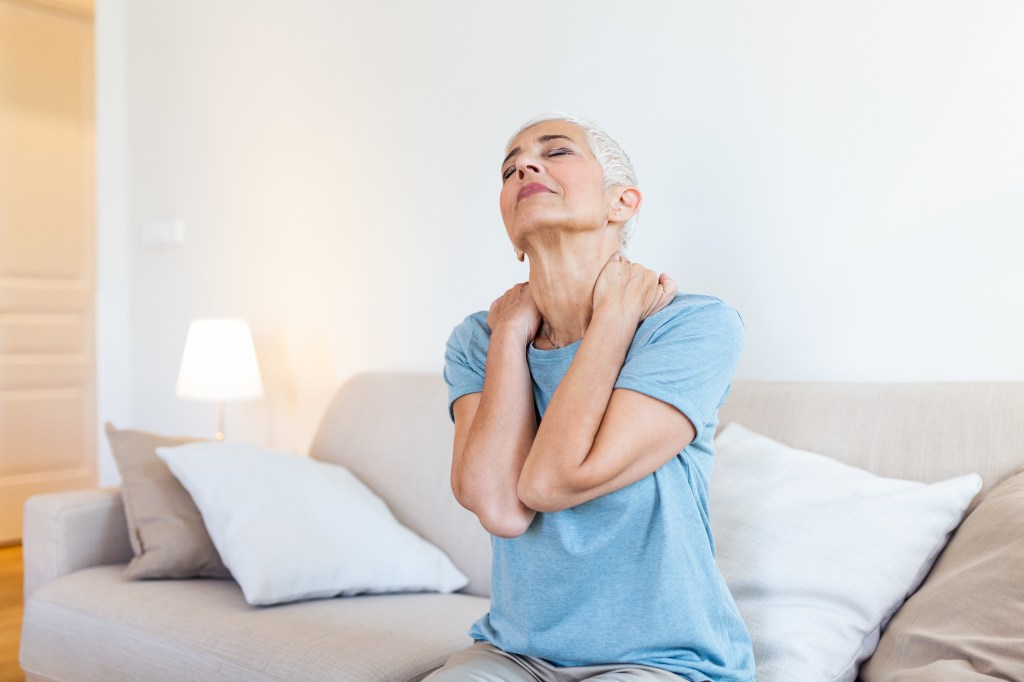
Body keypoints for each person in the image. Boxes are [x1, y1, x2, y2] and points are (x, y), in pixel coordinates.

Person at [430, 113, 756, 682]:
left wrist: (614, 316)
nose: (524, 166)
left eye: (555, 153)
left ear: (622, 203)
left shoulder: (693, 327)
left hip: (662, 661)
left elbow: (550, 481)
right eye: (510, 168)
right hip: (512, 654)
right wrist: (509, 333)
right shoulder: (478, 339)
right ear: (511, 230)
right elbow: (501, 509)